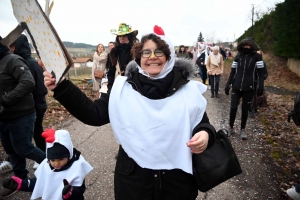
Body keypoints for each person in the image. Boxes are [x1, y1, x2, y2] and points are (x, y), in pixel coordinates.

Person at [43, 25, 216, 200]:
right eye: (146, 52)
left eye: (160, 52)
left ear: (169, 56)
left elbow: (203, 124)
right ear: (139, 56)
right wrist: (62, 87)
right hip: (134, 181)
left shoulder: (187, 91)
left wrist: (205, 134)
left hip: (177, 183)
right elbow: (94, 113)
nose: (152, 57)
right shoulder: (123, 88)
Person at [0, 36, 46, 198]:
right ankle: (20, 179)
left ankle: (58, 166)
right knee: (12, 150)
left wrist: (6, 99)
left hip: (22, 115)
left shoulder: (13, 60)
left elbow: (29, 83)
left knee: (24, 147)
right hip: (4, 117)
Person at [3, 129, 93, 200]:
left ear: (68, 156)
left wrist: (71, 192)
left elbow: (80, 190)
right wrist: (22, 184)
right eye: (52, 160)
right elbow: (40, 183)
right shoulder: (47, 166)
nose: (56, 163)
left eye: (61, 159)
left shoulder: (76, 168)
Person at [9, 34, 48, 169]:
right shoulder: (26, 62)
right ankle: (41, 156)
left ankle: (43, 158)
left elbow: (38, 87)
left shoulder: (27, 63)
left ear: (15, 47)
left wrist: (35, 104)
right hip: (36, 103)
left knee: (36, 132)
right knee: (34, 132)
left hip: (35, 104)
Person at [225, 38, 264, 140]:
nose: (246, 47)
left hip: (249, 87)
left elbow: (261, 73)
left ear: (252, 46)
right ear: (241, 46)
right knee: (233, 107)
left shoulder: (257, 57)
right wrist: (228, 84)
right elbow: (233, 72)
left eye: (248, 46)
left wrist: (260, 86)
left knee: (245, 109)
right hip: (236, 86)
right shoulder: (238, 56)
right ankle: (230, 127)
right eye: (244, 46)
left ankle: (243, 129)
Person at [107, 23, 139, 92]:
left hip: (134, 87)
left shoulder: (137, 51)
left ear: (130, 37)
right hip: (118, 87)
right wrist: (110, 89)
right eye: (120, 36)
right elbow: (111, 73)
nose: (122, 38)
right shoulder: (114, 52)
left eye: (124, 35)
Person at [248, 49, 268, 118]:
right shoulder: (251, 62)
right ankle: (250, 109)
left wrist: (261, 78)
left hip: (258, 82)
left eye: (260, 54)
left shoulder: (263, 63)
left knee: (257, 96)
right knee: (250, 96)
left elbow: (265, 73)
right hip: (251, 82)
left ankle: (255, 108)